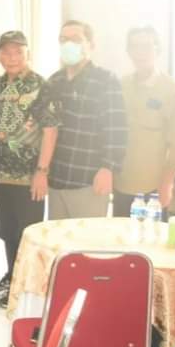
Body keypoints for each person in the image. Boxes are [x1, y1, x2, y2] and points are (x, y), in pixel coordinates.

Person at [0, 31, 57, 309]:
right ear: (0, 56)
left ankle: (26, 287)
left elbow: (50, 130)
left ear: (28, 53)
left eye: (18, 52)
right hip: (2, 172)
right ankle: (12, 276)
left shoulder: (40, 85)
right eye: (6, 52)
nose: (12, 57)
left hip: (29, 175)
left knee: (28, 233)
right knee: (7, 230)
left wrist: (42, 171)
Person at [46, 20, 126, 220]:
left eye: (75, 39)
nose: (68, 44)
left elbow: (116, 129)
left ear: (91, 45)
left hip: (88, 180)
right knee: (58, 237)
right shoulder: (54, 81)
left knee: (87, 237)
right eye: (63, 39)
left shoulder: (105, 80)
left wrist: (108, 169)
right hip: (57, 179)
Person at [114, 26, 175, 219]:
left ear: (157, 49)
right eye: (135, 47)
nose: (140, 52)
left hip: (154, 188)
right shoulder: (121, 85)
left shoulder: (171, 89)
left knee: (152, 237)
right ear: (129, 52)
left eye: (146, 46)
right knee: (121, 235)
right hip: (121, 183)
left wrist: (167, 182)